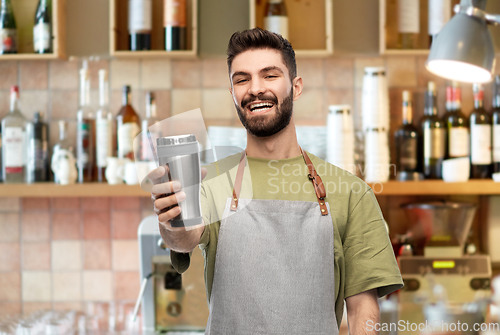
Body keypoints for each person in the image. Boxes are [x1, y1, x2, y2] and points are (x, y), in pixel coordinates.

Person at [150, 28, 403, 334]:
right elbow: (185, 237)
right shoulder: (212, 182)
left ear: (295, 87)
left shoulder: (351, 192)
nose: (255, 88)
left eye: (269, 75)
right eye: (241, 79)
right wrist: (173, 219)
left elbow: (363, 306)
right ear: (232, 93)